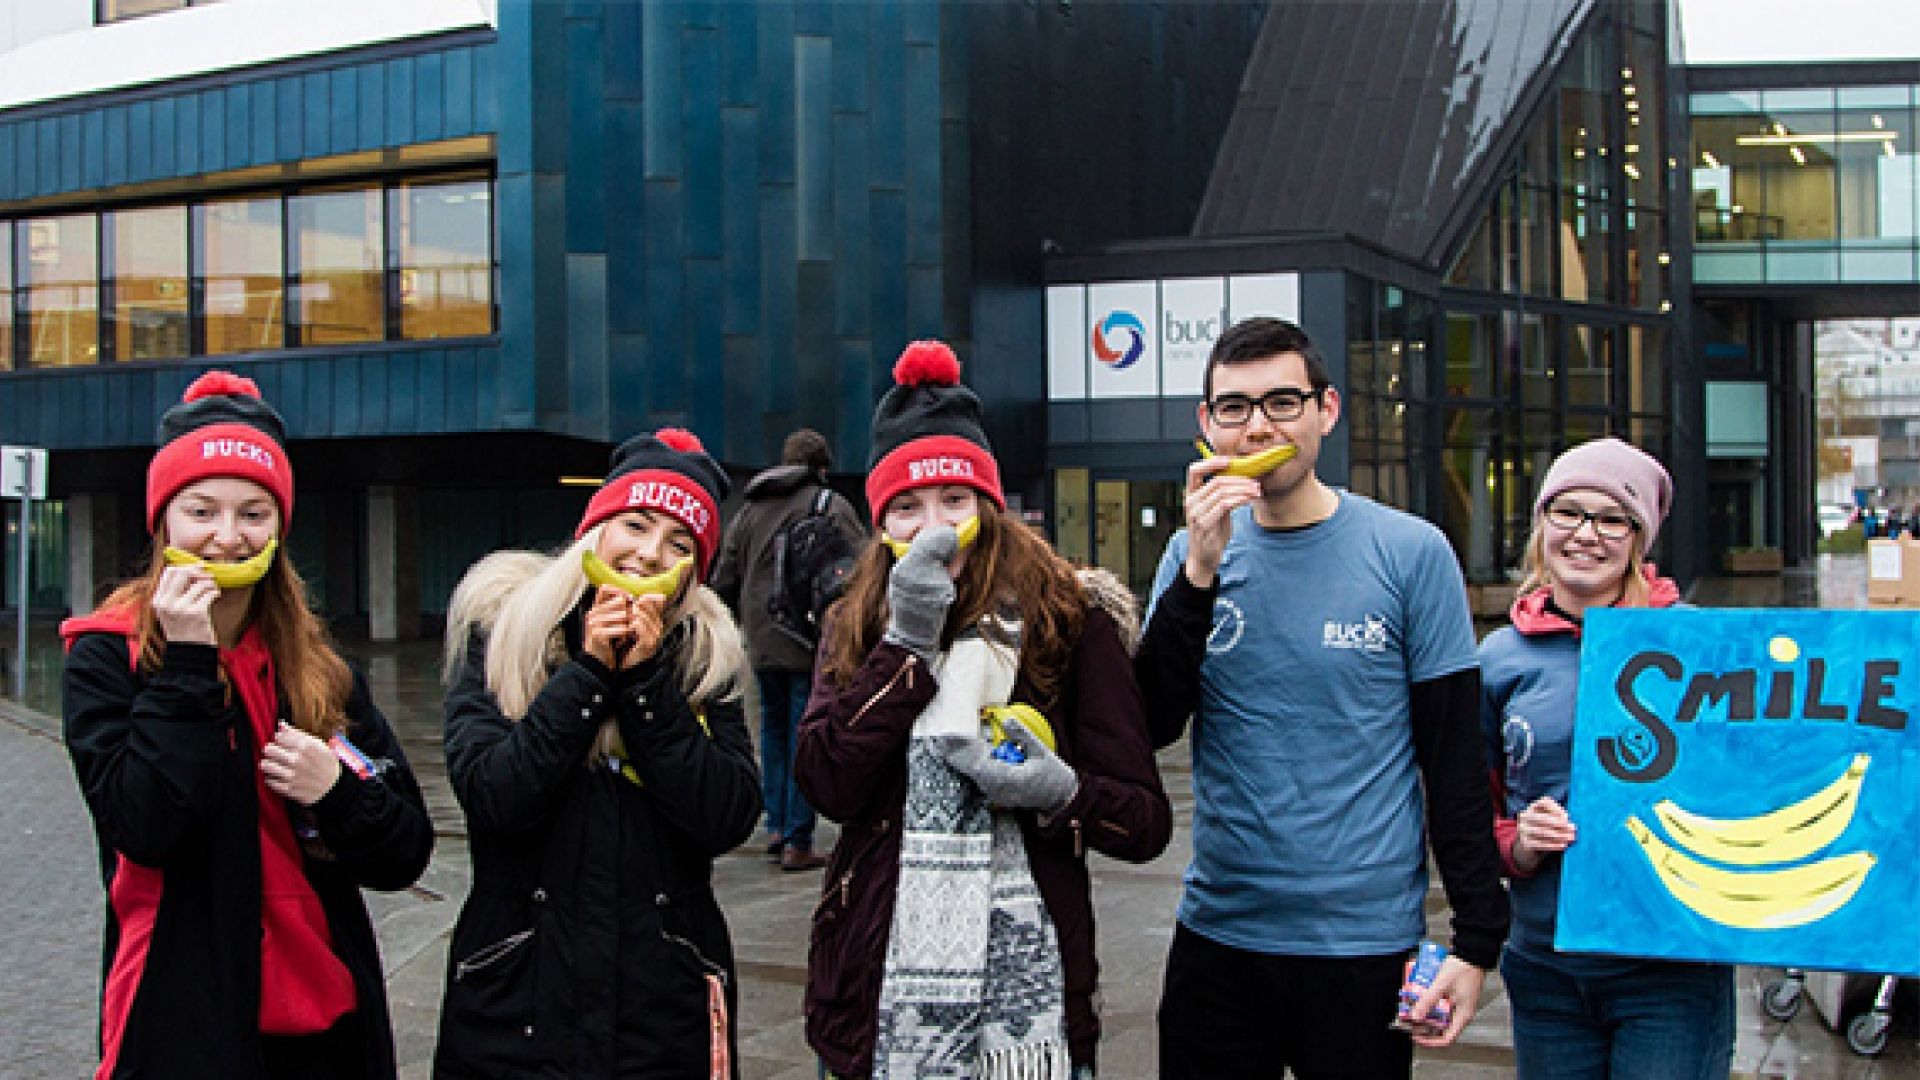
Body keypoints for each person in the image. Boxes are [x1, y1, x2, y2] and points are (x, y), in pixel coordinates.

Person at [1134, 317, 1509, 1079]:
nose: (1258, 426)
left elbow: (1453, 759)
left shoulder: (1410, 552)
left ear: (1326, 411)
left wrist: (1475, 941)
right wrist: (1200, 573)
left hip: (1364, 945)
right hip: (1220, 931)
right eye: (1234, 408)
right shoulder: (1188, 552)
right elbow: (1149, 722)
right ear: (1208, 426)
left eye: (1282, 401)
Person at [796, 340, 1172, 1080]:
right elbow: (826, 782)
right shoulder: (856, 621)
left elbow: (1144, 822)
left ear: (988, 508)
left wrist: (1061, 793)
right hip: (873, 993)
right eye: (907, 507)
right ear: (881, 522)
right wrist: (903, 648)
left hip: (1034, 1005)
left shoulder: (1070, 620)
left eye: (953, 501)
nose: (932, 525)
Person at [62, 371, 434, 1079]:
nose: (226, 538)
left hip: (326, 1026)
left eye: (253, 513)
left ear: (280, 526)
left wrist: (338, 793)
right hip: (182, 1017)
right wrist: (191, 665)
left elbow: (405, 853)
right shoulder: (106, 658)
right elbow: (145, 826)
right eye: (202, 510)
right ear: (163, 521)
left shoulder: (321, 671)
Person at [434, 427, 761, 1078]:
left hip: (660, 1007)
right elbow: (495, 794)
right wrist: (585, 674)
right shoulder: (502, 632)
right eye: (636, 526)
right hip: (516, 998)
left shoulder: (703, 658)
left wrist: (644, 687)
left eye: (678, 545)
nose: (648, 554)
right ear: (597, 531)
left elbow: (726, 813)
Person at [1481, 438, 1734, 1078]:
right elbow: (1471, 815)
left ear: (1639, 538)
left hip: (1668, 970)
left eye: (1612, 518)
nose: (1586, 534)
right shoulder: (1499, 661)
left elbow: (1749, 782)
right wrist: (1520, 844)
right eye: (1567, 512)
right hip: (1545, 970)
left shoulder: (1700, 644)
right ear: (1541, 525)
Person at [710, 428, 864, 871]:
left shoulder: (750, 509)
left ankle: (776, 825)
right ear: (821, 467)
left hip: (761, 641)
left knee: (773, 732)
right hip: (808, 638)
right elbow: (862, 569)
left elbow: (725, 578)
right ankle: (799, 839)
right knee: (804, 734)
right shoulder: (828, 505)